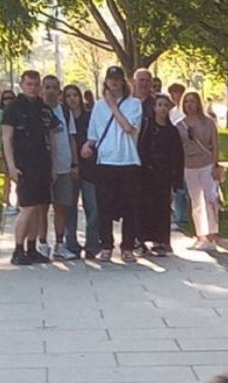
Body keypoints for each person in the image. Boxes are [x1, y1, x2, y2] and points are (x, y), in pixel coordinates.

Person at [82, 65, 144, 263]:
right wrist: (87, 145)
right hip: (105, 161)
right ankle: (106, 244)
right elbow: (93, 134)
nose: (114, 82)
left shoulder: (134, 104)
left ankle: (127, 247)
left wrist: (113, 106)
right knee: (104, 206)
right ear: (106, 82)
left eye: (118, 79)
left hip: (127, 160)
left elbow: (128, 127)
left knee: (130, 206)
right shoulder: (99, 106)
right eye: (111, 79)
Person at [2, 70, 60, 265]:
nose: (33, 88)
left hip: (42, 164)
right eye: (29, 84)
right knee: (26, 208)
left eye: (36, 84)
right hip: (23, 165)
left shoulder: (44, 109)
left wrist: (53, 166)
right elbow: (7, 139)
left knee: (37, 209)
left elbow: (51, 138)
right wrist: (11, 166)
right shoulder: (13, 108)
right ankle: (18, 250)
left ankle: (32, 248)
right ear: (22, 84)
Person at [137, 94, 184, 256]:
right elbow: (141, 149)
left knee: (163, 209)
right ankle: (141, 239)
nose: (162, 108)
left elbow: (177, 157)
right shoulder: (147, 128)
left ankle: (161, 240)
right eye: (160, 105)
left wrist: (176, 181)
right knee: (144, 207)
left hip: (164, 176)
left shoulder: (172, 131)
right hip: (146, 175)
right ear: (154, 108)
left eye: (165, 105)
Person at [40, 75, 79, 260]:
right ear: (42, 90)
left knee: (61, 207)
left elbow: (71, 138)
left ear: (59, 92)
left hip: (64, 167)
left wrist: (74, 163)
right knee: (41, 208)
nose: (51, 91)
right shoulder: (37, 110)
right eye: (47, 87)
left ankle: (59, 244)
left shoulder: (64, 111)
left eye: (54, 88)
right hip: (42, 167)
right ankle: (42, 244)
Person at [179, 90, 222, 252]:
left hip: (207, 164)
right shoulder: (180, 125)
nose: (189, 105)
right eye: (187, 102)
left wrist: (216, 163)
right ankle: (200, 235)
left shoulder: (208, 122)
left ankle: (212, 235)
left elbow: (215, 144)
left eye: (192, 101)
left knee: (210, 199)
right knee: (196, 201)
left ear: (198, 103)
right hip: (189, 166)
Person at [61, 83, 98, 259]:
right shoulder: (61, 117)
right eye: (68, 96)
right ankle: (72, 244)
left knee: (93, 207)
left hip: (90, 168)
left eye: (75, 95)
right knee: (70, 207)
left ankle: (92, 244)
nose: (72, 99)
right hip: (69, 168)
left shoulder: (90, 117)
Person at [167, 82, 189, 231]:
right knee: (179, 189)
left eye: (179, 92)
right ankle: (179, 217)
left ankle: (188, 217)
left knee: (189, 189)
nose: (176, 95)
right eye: (173, 93)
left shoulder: (187, 112)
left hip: (190, 154)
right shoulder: (172, 112)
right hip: (175, 154)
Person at [0, 89, 18, 214]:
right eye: (6, 98)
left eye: (11, 98)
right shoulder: (0, 114)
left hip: (17, 149)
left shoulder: (17, 112)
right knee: (7, 177)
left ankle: (17, 203)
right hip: (4, 150)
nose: (8, 101)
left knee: (17, 178)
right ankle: (6, 202)